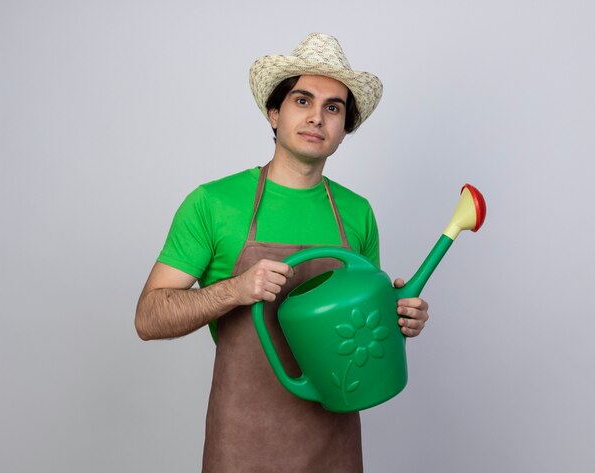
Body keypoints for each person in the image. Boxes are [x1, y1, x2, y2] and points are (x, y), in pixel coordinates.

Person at [135, 33, 429, 473]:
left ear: (344, 129)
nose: (317, 118)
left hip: (334, 444)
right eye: (302, 100)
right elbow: (148, 317)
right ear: (274, 113)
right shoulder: (214, 203)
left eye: (333, 108)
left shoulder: (357, 213)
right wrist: (235, 290)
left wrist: (398, 316)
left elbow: (359, 334)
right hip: (242, 442)